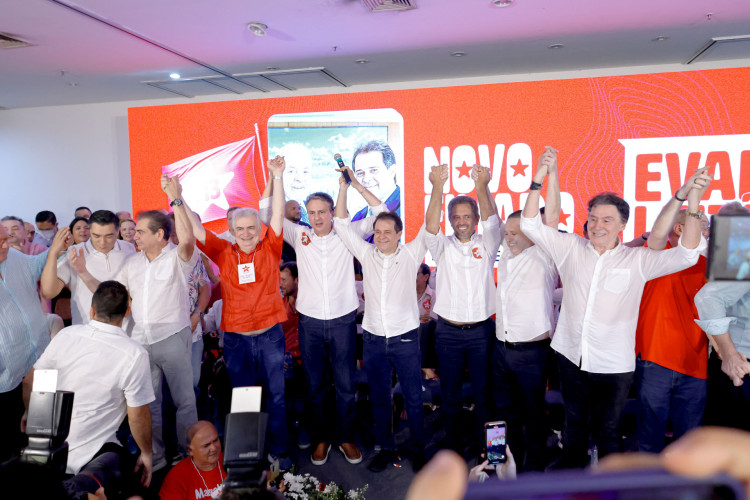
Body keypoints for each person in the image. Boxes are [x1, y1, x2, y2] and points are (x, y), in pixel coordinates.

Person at [520, 153, 709, 468]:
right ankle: (573, 490)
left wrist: (690, 199)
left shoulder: (637, 260)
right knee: (574, 430)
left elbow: (689, 254)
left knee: (609, 433)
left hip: (614, 365)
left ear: (623, 225)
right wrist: (540, 177)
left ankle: (610, 491)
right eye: (593, 218)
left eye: (607, 220)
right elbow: (528, 222)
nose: (597, 225)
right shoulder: (569, 248)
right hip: (570, 357)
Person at [258, 165, 385, 467]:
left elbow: (381, 213)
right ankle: (321, 439)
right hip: (310, 324)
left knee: (345, 385)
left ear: (332, 213)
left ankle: (345, 438)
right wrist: (275, 177)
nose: (316, 218)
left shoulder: (349, 231)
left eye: (322, 212)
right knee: (314, 386)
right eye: (311, 212)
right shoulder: (299, 234)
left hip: (343, 321)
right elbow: (265, 214)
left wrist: (353, 184)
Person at [185, 155, 291, 468]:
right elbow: (195, 226)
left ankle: (280, 452)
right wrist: (177, 198)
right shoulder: (221, 250)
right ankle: (249, 453)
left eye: (251, 227)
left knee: (277, 397)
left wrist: (278, 176)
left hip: (270, 336)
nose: (246, 232)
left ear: (259, 228)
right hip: (236, 341)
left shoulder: (271, 246)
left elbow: (278, 215)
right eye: (239, 228)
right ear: (231, 229)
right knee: (244, 397)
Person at [334, 166, 429, 472]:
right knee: (379, 400)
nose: (383, 236)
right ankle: (386, 448)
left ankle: (418, 449)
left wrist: (359, 184)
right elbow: (340, 224)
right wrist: (347, 186)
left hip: (405, 340)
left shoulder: (412, 254)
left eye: (389, 231)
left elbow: (425, 223)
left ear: (399, 234)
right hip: (374, 340)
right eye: (378, 231)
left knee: (414, 398)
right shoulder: (365, 253)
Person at [23, 281, 155, 497]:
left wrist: (30, 412)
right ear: (127, 312)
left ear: (92, 310)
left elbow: (31, 381)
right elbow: (137, 417)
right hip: (93, 456)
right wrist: (147, 453)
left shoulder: (66, 335)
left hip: (47, 449)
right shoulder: (134, 354)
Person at [424, 162, 504, 455]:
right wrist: (437, 187)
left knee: (487, 396)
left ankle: (493, 453)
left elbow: (494, 221)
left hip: (482, 333)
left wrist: (482, 186)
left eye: (467, 216)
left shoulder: (488, 242)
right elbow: (430, 227)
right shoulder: (441, 246)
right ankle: (454, 454)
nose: (461, 221)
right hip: (447, 333)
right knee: (450, 396)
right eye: (456, 217)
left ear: (475, 219)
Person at [492, 143, 562, 472]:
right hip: (501, 350)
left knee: (534, 415)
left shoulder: (544, 253)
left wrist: (549, 174)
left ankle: (533, 473)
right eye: (507, 232)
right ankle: (506, 466)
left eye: (517, 232)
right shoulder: (506, 253)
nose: (510, 237)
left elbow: (551, 216)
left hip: (532, 352)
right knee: (503, 415)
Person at [634, 188, 711, 452]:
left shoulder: (711, 265)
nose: (707, 230)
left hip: (696, 363)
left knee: (690, 446)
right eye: (700, 223)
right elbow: (657, 232)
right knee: (649, 441)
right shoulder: (656, 257)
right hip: (655, 360)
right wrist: (689, 198)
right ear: (679, 227)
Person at [0, 223, 50, 462]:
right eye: (0, 241)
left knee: (41, 431)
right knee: (10, 437)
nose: (5, 245)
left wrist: (58, 248)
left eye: (6, 239)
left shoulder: (16, 258)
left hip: (38, 356)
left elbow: (38, 265)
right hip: (5, 374)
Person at [41, 210, 135, 326]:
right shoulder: (75, 252)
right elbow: (49, 292)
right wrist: (53, 253)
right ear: (90, 231)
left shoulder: (129, 249)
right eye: (96, 236)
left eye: (109, 236)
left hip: (125, 327)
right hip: (88, 327)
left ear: (118, 231)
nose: (103, 242)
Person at [160, 421, 226, 500]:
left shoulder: (230, 460)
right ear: (190, 450)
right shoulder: (177, 476)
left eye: (215, 440)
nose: (214, 448)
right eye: (206, 445)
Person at [351, 140, 400, 222]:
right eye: (360, 173)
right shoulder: (358, 217)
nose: (366, 179)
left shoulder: (408, 209)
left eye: (374, 170)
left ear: (392, 171)